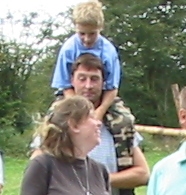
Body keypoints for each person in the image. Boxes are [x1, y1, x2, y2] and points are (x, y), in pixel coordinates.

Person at [46, 51, 150, 195]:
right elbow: (39, 164)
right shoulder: (56, 123)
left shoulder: (119, 125)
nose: (88, 85)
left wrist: (97, 180)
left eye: (94, 79)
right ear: (72, 81)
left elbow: (142, 173)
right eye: (82, 78)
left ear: (104, 83)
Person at [18, 97, 114, 195]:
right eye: (91, 117)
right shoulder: (43, 165)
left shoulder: (99, 170)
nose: (99, 123)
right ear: (74, 125)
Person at [50, 1, 132, 133]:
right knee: (53, 120)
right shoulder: (68, 49)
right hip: (71, 95)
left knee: (126, 122)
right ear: (75, 28)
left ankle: (122, 147)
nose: (87, 39)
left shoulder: (109, 51)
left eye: (92, 34)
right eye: (82, 34)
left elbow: (112, 88)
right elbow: (65, 86)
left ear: (100, 28)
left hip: (103, 96)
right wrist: (80, 110)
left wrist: (99, 112)